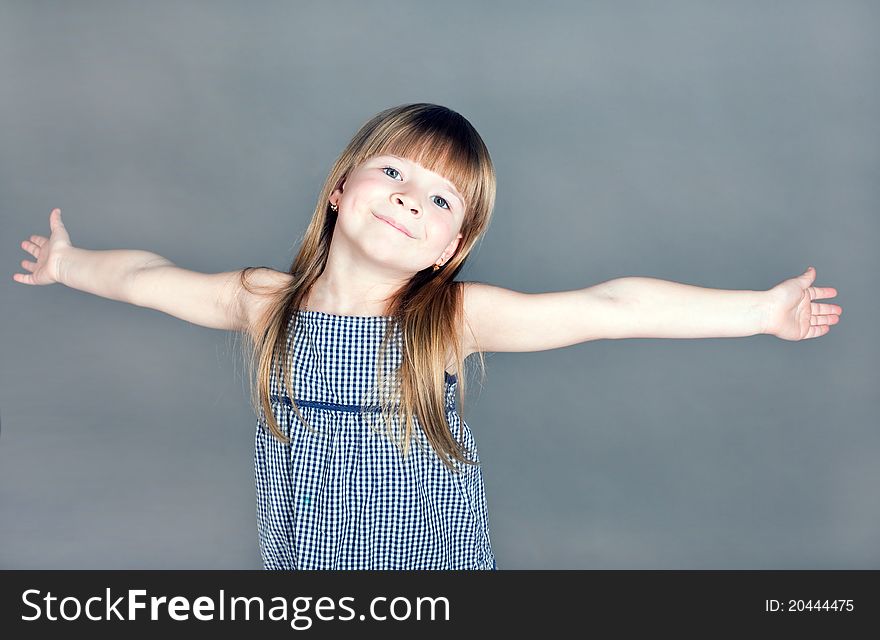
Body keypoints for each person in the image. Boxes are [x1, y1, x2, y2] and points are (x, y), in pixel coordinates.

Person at [13, 103, 842, 570]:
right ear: (341, 188)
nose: (413, 198)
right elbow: (148, 281)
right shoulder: (267, 304)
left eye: (442, 200)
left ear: (449, 248)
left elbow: (611, 306)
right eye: (395, 172)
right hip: (307, 562)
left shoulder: (450, 322)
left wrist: (760, 311)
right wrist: (72, 262)